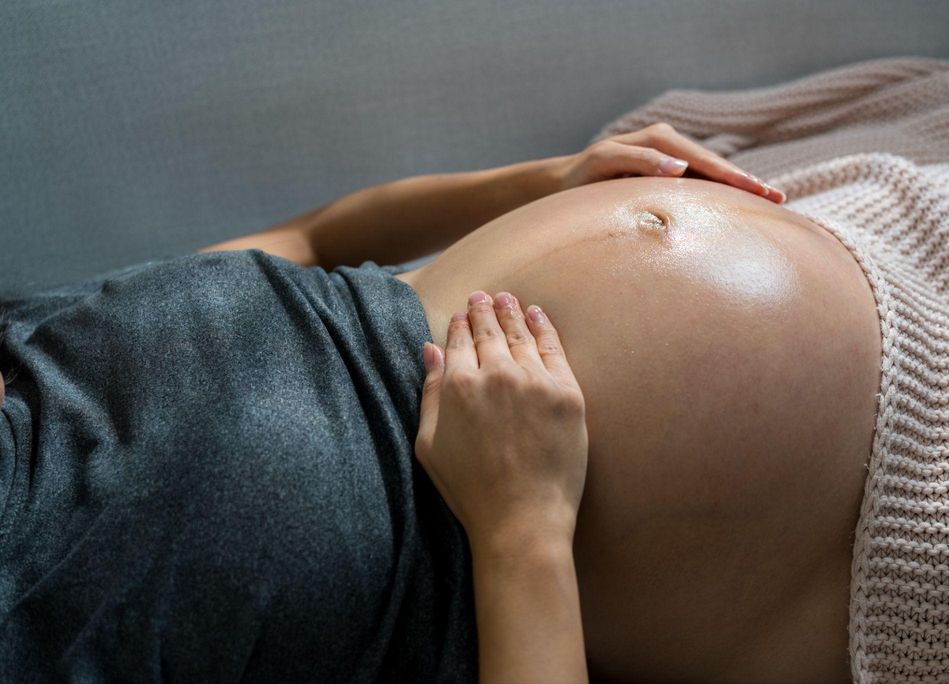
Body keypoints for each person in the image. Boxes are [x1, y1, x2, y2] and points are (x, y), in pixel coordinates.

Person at [0, 123, 873, 683]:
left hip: (858, 235)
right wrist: (520, 528)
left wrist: (546, 181)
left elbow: (315, 239)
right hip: (865, 515)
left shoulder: (27, 338)